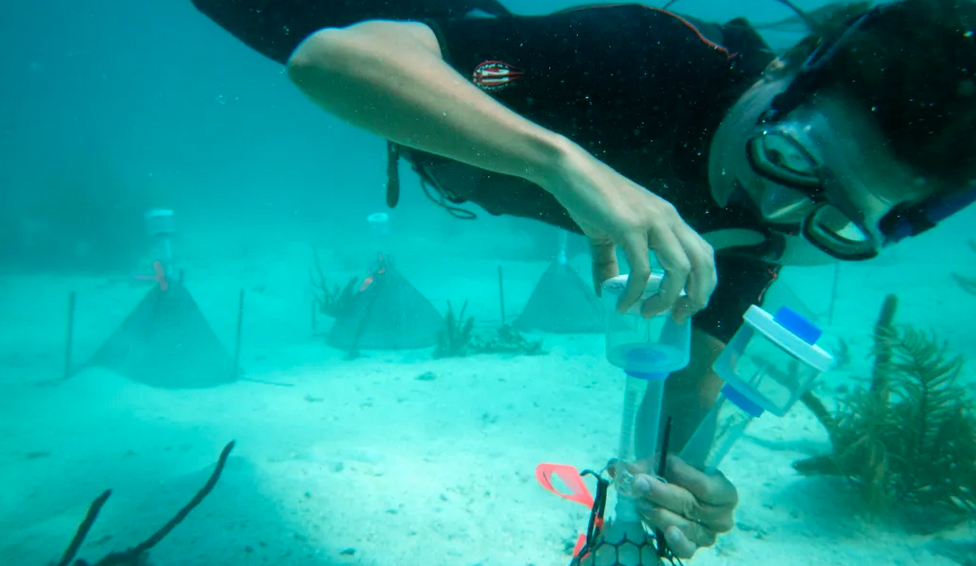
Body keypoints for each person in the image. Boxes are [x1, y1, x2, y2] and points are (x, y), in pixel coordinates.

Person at [191, 0, 976, 559]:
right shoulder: (647, 60)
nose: (774, 205)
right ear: (787, 78)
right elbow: (330, 60)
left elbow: (690, 378)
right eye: (796, 158)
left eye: (839, 218)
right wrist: (563, 162)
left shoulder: (761, 229)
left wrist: (683, 485)